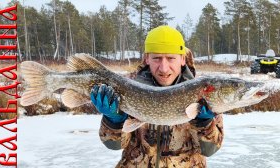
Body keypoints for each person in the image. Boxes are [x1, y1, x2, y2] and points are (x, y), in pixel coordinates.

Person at [90, 25, 224, 168]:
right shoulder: (126, 87)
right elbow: (114, 145)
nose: (164, 68)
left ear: (182, 59)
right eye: (157, 58)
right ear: (147, 58)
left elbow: (209, 150)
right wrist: (113, 121)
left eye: (171, 58)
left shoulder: (203, 91)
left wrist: (205, 124)